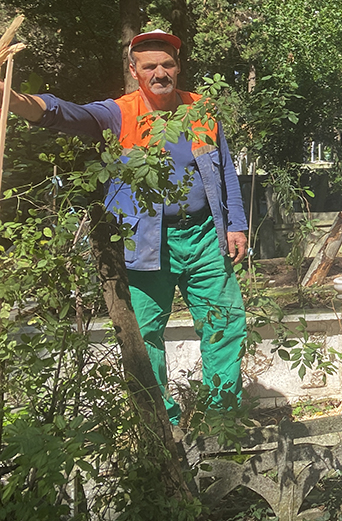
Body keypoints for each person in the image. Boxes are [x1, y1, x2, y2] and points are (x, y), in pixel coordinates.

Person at [0, 29, 248, 423]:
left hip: (204, 237)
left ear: (178, 67)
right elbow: (68, 114)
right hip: (145, 243)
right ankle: (161, 427)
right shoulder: (120, 113)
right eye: (149, 66)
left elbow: (226, 173)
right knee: (145, 336)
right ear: (134, 72)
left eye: (167, 64)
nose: (160, 72)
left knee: (226, 324)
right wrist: (12, 99)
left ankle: (221, 422)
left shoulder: (200, 110)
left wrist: (236, 224)